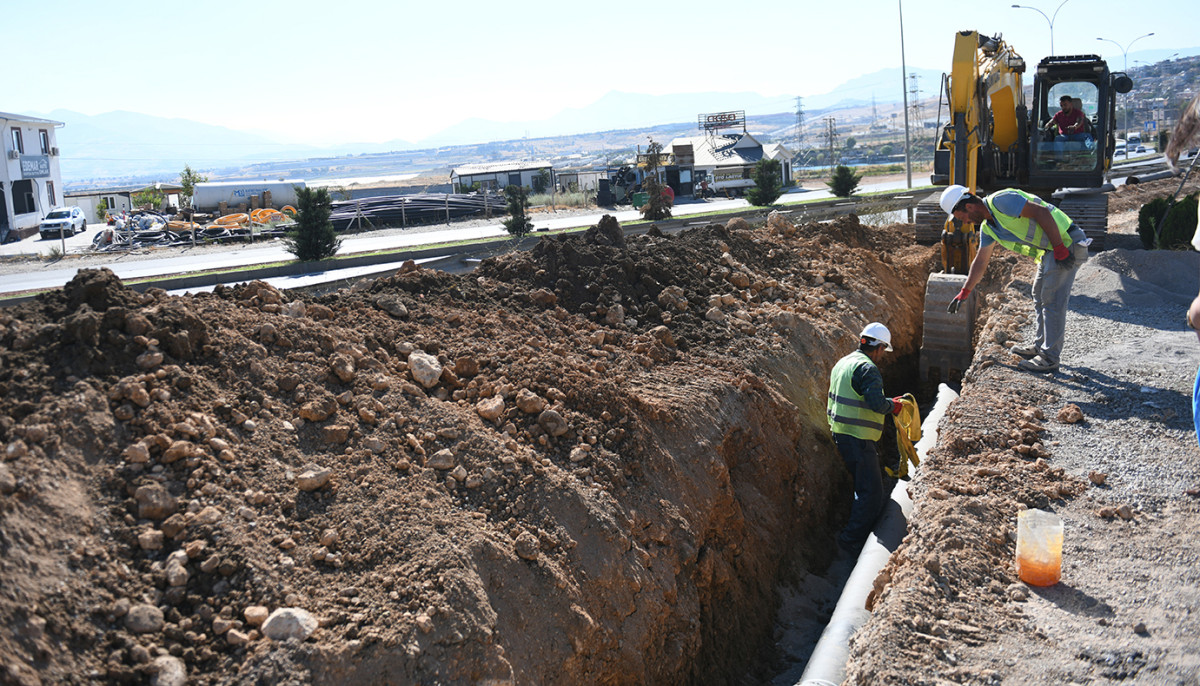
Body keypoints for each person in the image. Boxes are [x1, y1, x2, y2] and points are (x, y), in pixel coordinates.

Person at [940, 184, 1090, 373]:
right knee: (1039, 294)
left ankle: (1050, 358)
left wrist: (1059, 247)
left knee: (1052, 300)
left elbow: (1041, 212)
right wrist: (965, 291)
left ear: (969, 207)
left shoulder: (1001, 201)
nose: (967, 222)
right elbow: (981, 261)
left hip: (1066, 242)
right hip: (1051, 250)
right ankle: (1040, 346)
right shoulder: (989, 228)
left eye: (963, 217)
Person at [827, 322, 905, 552]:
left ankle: (852, 535)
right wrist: (895, 406)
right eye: (883, 350)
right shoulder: (868, 368)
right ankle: (851, 541)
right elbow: (876, 404)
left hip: (842, 432)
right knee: (871, 493)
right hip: (857, 437)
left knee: (864, 486)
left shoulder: (845, 362)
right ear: (879, 347)